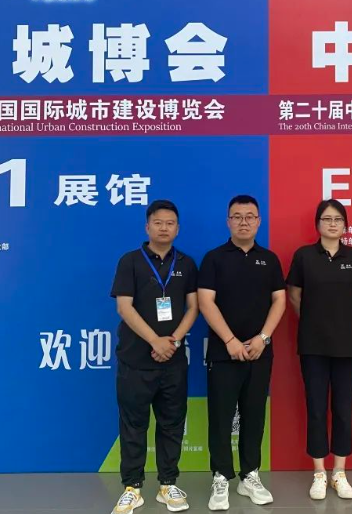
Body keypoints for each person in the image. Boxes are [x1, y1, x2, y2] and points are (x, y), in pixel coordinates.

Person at [197, 195, 287, 511]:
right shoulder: (214, 258)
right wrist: (231, 341)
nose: (244, 222)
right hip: (224, 353)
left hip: (260, 352)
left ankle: (250, 475)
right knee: (221, 417)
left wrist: (263, 338)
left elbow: (280, 300)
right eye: (237, 216)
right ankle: (221, 475)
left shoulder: (270, 259)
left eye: (250, 216)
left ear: (259, 221)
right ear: (228, 221)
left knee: (254, 416)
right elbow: (205, 301)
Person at [109, 200, 199, 513]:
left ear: (178, 228)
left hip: (173, 360)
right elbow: (124, 307)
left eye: (170, 223)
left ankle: (167, 484)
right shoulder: (130, 261)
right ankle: (132, 487)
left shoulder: (186, 263)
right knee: (133, 425)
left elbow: (194, 307)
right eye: (158, 222)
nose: (164, 228)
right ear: (147, 227)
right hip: (135, 360)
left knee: (172, 424)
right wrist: (154, 341)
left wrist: (172, 340)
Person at [287, 199, 352, 500]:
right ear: (317, 224)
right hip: (313, 344)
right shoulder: (304, 256)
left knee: (343, 408)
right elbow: (294, 296)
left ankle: (339, 472)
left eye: (338, 219)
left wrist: (343, 321)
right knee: (316, 407)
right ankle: (319, 473)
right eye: (327, 219)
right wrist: (315, 321)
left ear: (345, 225)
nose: (332, 224)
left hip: (346, 344)